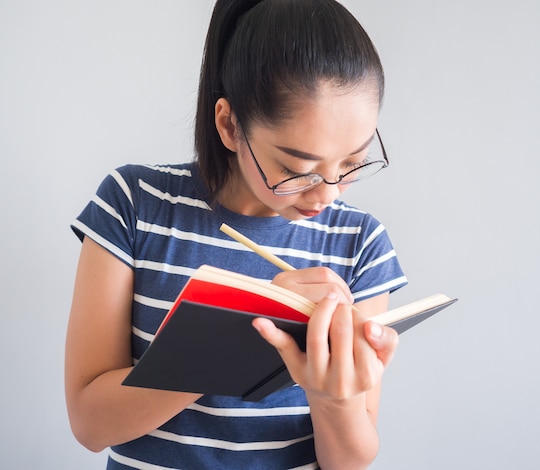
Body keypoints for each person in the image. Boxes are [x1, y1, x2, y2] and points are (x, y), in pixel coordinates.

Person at [65, 0, 408, 468]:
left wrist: (335, 399)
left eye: (353, 162)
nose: (326, 196)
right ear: (229, 124)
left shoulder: (359, 242)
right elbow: (90, 425)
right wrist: (239, 338)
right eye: (296, 169)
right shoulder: (134, 204)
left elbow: (350, 461)